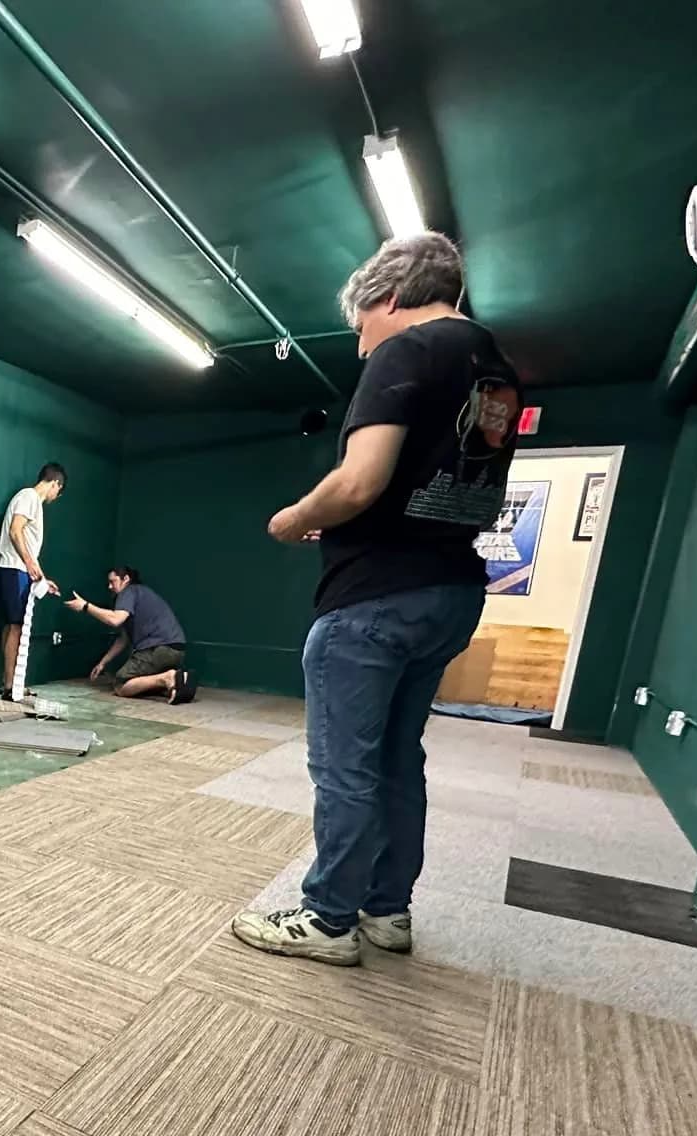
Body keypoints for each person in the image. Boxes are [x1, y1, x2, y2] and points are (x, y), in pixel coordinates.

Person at [232, 232, 520, 967]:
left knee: (344, 768)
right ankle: (388, 910)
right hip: (451, 592)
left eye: (362, 326)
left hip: (373, 601)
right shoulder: (497, 371)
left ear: (390, 298)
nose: (362, 348)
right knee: (398, 760)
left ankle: (329, 919)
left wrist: (294, 518)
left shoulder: (406, 353)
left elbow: (360, 483)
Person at [67, 566, 195, 704]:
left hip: (158, 649)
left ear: (126, 579)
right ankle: (178, 685)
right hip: (176, 651)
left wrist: (86, 606)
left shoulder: (129, 592)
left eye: (113, 581)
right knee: (139, 684)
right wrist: (102, 663)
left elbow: (115, 620)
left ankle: (167, 678)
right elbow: (123, 638)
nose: (110, 586)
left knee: (121, 685)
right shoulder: (142, 593)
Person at [0, 464, 66, 698]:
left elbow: (28, 548)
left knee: (12, 625)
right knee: (17, 626)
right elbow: (16, 531)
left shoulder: (32, 502)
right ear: (55, 483)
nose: (56, 497)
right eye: (59, 491)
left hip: (18, 570)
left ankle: (8, 682)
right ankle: (10, 686)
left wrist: (43, 578)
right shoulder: (29, 496)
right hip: (15, 569)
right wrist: (29, 563)